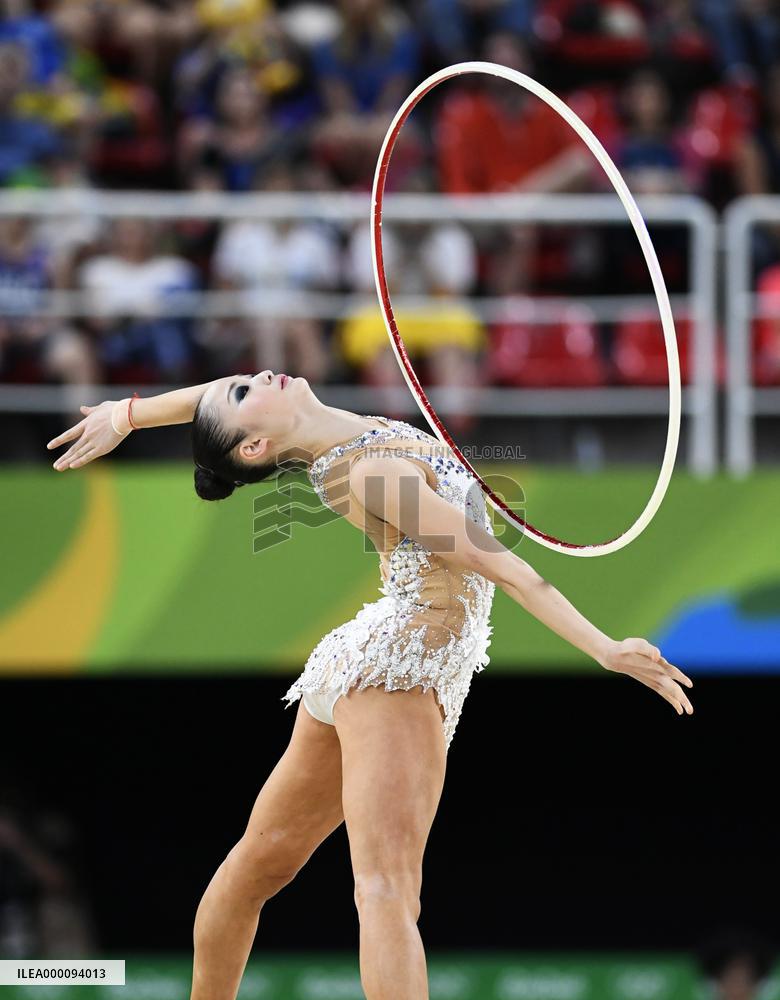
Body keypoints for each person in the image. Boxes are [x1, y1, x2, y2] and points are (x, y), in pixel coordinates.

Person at [46, 370, 694, 1000]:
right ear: (254, 449)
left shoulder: (342, 433)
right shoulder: (369, 473)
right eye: (243, 390)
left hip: (379, 660)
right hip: (398, 672)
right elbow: (506, 570)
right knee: (386, 889)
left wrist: (128, 414)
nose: (258, 374)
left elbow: (209, 405)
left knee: (261, 864)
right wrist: (604, 648)